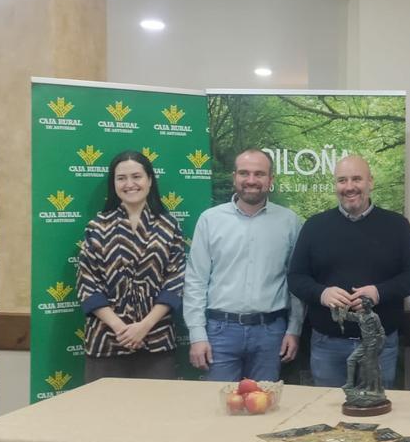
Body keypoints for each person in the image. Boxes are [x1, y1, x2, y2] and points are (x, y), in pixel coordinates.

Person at [288, 155, 410, 388]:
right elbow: (296, 278)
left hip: (379, 346)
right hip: (327, 346)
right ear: (335, 185)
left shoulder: (397, 226)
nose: (349, 187)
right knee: (327, 415)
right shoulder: (314, 226)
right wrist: (322, 294)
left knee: (379, 416)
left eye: (356, 179)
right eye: (342, 180)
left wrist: (378, 292)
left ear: (370, 181)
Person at [183, 148, 304, 382]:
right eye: (244, 173)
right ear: (234, 177)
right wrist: (197, 334)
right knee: (218, 410)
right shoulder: (210, 220)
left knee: (267, 409)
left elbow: (296, 283)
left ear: (270, 180)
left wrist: (294, 329)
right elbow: (196, 280)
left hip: (271, 334)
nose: (251, 180)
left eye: (259, 174)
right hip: (219, 333)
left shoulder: (290, 222)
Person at [76, 150, 185, 382]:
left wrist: (144, 326)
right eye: (121, 178)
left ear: (149, 180)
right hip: (106, 340)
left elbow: (175, 281)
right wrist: (120, 327)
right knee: (104, 414)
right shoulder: (97, 226)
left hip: (156, 339)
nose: (129, 184)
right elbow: (87, 284)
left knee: (158, 414)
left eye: (136, 176)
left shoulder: (169, 226)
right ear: (113, 183)